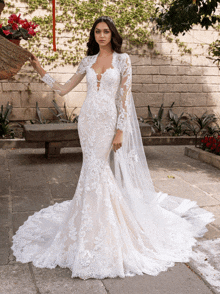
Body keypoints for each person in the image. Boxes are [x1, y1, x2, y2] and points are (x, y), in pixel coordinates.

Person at [12, 16, 214, 280]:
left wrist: (121, 130)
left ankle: (106, 228)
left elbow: (125, 98)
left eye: (106, 31)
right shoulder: (87, 61)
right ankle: (91, 226)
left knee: (97, 170)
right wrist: (39, 68)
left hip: (108, 122)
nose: (102, 35)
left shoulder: (123, 60)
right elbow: (63, 89)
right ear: (93, 35)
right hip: (87, 121)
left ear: (112, 34)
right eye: (98, 31)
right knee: (92, 170)